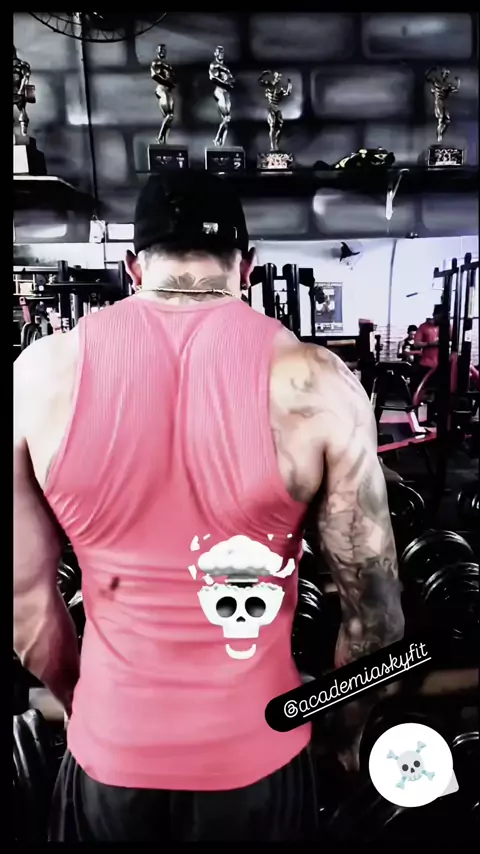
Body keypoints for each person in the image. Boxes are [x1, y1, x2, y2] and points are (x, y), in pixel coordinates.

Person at [14, 172, 404, 842]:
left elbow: (23, 607)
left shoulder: (38, 376)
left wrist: (92, 710)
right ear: (247, 266)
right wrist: (339, 727)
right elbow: (377, 617)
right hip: (259, 754)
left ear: (133, 265)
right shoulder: (318, 383)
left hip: (111, 753)